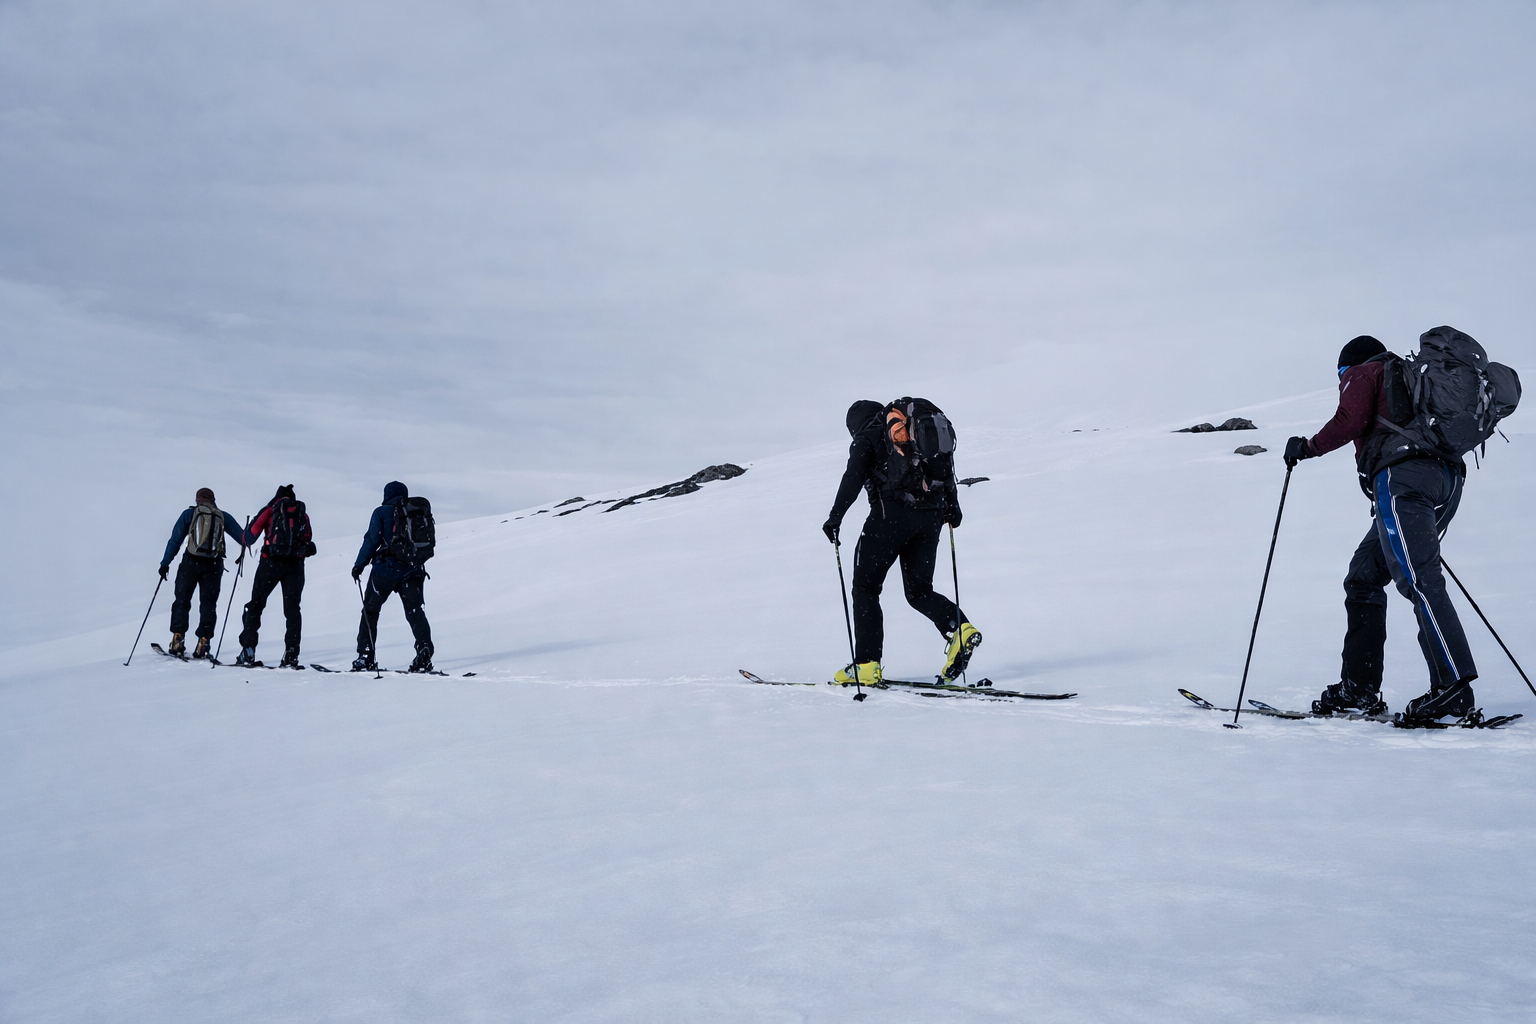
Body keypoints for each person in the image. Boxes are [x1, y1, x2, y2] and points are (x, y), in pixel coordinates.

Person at [1284, 333, 1478, 721]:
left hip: (1404, 480)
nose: (1342, 380)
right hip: (1445, 482)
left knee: (1421, 580)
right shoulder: (1406, 377)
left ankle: (1453, 689)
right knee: (1363, 576)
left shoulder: (1365, 371)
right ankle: (1359, 688)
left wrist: (1305, 447)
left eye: (1341, 374)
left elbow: (1350, 420)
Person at [821, 398, 980, 686]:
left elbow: (853, 476)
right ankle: (961, 630)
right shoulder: (912, 432)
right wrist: (952, 506)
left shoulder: (868, 436)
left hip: (890, 516)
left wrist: (835, 517)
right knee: (919, 591)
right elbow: (944, 468)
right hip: (930, 518)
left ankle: (866, 665)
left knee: (865, 588)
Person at [351, 480, 434, 672]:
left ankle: (365, 655)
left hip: (386, 569)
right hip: (414, 568)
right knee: (415, 611)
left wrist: (358, 565)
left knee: (370, 610)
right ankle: (424, 651)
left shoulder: (382, 512)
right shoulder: (415, 511)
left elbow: (371, 541)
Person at [234, 485, 317, 668]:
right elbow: (308, 538)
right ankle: (291, 654)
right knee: (292, 610)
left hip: (270, 562)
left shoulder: (270, 510)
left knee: (255, 605)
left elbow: (249, 537)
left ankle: (248, 651)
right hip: (295, 565)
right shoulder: (303, 513)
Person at [158, 487, 246, 659]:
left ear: (198, 499)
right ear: (213, 500)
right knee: (208, 604)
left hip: (190, 563)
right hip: (213, 566)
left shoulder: (189, 515)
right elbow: (243, 538)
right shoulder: (222, 516)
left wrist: (165, 563)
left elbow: (175, 540)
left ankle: (177, 639)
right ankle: (203, 643)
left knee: (182, 601)